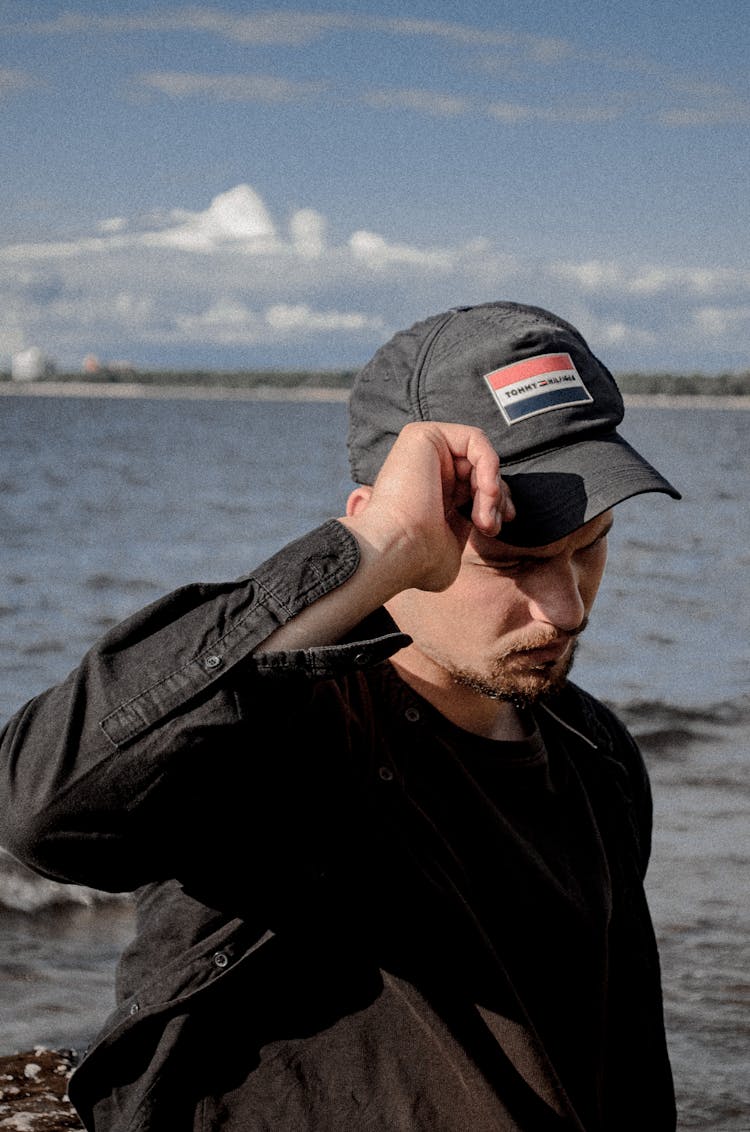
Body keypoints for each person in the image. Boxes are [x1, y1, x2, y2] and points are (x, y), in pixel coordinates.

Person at [0, 301, 681, 1131]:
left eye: (591, 545)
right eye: (512, 560)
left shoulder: (594, 749)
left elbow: (622, 1050)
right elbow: (44, 809)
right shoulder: (268, 729)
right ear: (382, 527)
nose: (565, 609)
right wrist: (369, 553)